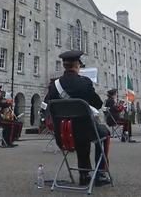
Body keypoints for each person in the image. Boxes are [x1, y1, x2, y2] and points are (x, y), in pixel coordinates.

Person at [44, 50, 112, 187]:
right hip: (84, 133)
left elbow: (48, 107)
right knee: (104, 133)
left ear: (64, 66)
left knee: (80, 130)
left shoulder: (54, 86)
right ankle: (100, 173)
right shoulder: (84, 83)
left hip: (62, 134)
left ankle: (84, 174)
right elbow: (98, 104)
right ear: (76, 65)